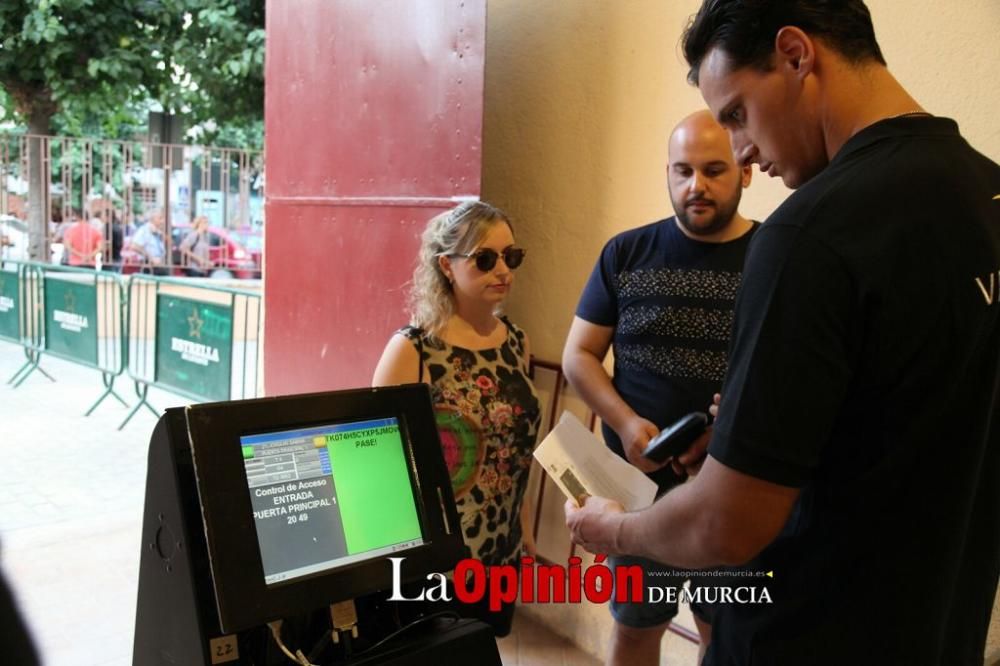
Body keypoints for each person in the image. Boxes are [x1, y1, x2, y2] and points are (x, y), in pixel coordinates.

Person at [564, 2, 1000, 665]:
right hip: (943, 632)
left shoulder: (809, 236)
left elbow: (726, 523)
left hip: (809, 635)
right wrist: (757, 432)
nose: (741, 150)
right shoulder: (986, 194)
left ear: (797, 54)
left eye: (737, 113)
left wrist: (616, 527)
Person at [563, 110, 756, 666]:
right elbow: (579, 356)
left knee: (725, 637)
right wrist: (624, 425)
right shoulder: (625, 253)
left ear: (745, 170)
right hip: (636, 489)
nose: (696, 185)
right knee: (635, 630)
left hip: (731, 490)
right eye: (683, 170)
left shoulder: (773, 257)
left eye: (714, 170)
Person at [372, 200, 541, 637]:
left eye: (511, 256)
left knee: (485, 652)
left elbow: (514, 454)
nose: (502, 270)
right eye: (485, 259)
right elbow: (376, 465)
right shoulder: (413, 350)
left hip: (500, 554)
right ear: (447, 266)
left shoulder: (517, 341)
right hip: (436, 564)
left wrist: (524, 536)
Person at [127, 210, 168, 275]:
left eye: (163, 218)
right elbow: (134, 246)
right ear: (152, 219)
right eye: (160, 218)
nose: (162, 221)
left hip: (160, 264)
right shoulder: (144, 230)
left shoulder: (158, 231)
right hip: (149, 265)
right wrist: (151, 258)